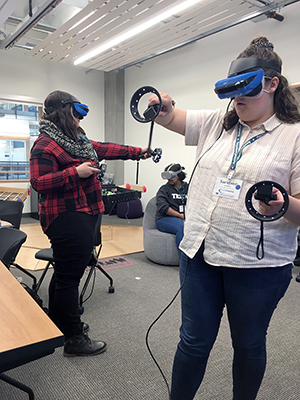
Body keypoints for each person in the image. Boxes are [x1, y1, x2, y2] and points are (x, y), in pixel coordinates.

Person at [148, 36, 300, 399]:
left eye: (245, 91)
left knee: (248, 345)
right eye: (231, 92)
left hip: (257, 265)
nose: (237, 100)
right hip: (199, 254)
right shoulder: (219, 123)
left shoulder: (294, 137)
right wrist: (162, 105)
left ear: (271, 83)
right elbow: (171, 117)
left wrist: (282, 204)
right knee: (193, 342)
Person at [30, 90, 150, 357]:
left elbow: (106, 148)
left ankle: (57, 322)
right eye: (77, 113)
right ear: (64, 112)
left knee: (64, 274)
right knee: (69, 278)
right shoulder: (45, 144)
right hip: (65, 217)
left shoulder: (78, 140)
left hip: (84, 212)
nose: (80, 119)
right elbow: (39, 183)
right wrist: (76, 172)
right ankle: (73, 339)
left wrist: (138, 152)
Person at [155, 163, 188, 255]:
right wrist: (180, 216)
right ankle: (184, 262)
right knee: (182, 227)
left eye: (172, 176)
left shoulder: (188, 187)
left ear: (179, 176)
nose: (169, 179)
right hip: (164, 219)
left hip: (185, 217)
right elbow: (163, 208)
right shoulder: (164, 189)